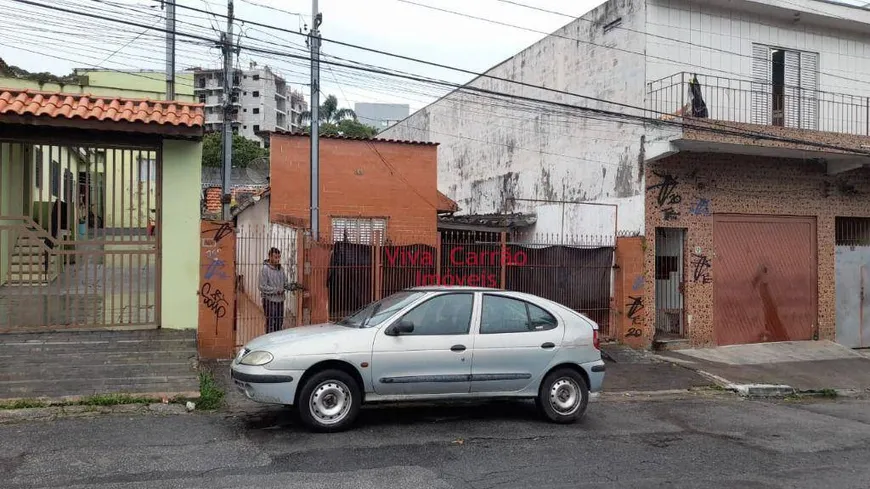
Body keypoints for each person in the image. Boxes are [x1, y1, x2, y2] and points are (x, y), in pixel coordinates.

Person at [258, 247, 302, 334]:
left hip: (280, 300)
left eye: (279, 257)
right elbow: (262, 286)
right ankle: (269, 342)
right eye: (275, 257)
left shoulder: (280, 269)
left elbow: (285, 283)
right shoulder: (265, 269)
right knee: (270, 323)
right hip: (269, 301)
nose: (277, 260)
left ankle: (277, 343)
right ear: (270, 257)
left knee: (279, 323)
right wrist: (276, 290)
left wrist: (293, 286)